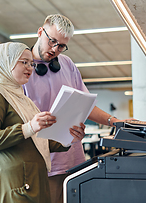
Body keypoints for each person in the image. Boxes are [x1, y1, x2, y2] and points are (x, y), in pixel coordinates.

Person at [23, 14, 123, 203]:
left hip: (72, 158)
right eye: (51, 41)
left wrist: (115, 122)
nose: (55, 49)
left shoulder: (67, 64)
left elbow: (86, 105)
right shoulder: (23, 68)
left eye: (61, 46)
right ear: (39, 32)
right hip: (43, 161)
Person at [0, 42, 85, 203]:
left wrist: (70, 138)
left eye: (31, 63)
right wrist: (29, 127)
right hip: (11, 183)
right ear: (5, 62)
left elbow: (40, 140)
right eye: (23, 62)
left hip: (31, 180)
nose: (30, 68)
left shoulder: (22, 99)